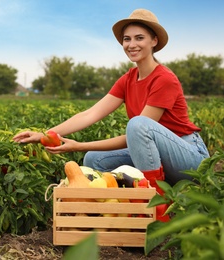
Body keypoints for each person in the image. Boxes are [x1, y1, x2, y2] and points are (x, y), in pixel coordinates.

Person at [13, 9, 210, 195]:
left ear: (154, 41)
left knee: (137, 124)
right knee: (93, 159)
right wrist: (44, 135)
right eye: (127, 39)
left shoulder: (164, 79)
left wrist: (78, 145)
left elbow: (137, 133)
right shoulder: (128, 79)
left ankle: (155, 201)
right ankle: (120, 203)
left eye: (139, 38)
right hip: (155, 157)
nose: (132, 44)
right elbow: (89, 114)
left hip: (189, 160)